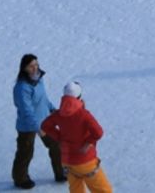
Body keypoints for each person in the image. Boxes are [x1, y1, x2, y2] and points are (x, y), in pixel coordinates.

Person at [41, 81, 113, 193]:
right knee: (104, 191)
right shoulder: (84, 115)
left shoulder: (58, 114)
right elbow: (98, 132)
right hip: (86, 161)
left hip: (68, 162)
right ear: (79, 97)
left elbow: (45, 126)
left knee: (76, 190)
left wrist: (60, 138)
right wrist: (88, 143)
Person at [12, 54, 65, 189]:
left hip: (44, 120)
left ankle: (60, 173)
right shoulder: (21, 88)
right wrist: (38, 128)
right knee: (25, 153)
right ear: (24, 68)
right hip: (27, 125)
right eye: (31, 66)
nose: (35, 68)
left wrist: (53, 109)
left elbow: (44, 99)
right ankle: (20, 179)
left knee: (56, 145)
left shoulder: (39, 79)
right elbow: (27, 111)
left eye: (36, 65)